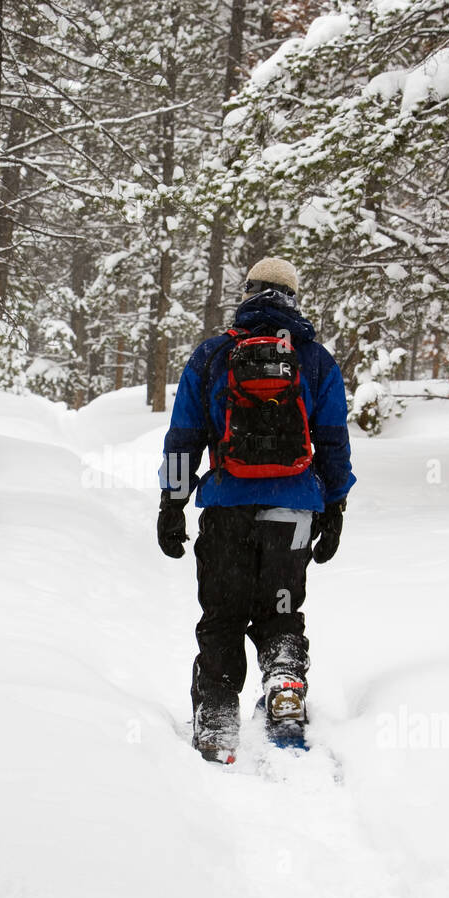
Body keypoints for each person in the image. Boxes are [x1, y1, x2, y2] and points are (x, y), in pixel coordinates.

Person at [157, 258, 355, 763]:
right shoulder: (315, 360)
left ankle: (219, 715)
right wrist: (334, 508)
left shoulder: (213, 354)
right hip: (294, 511)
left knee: (222, 614)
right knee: (280, 612)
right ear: (293, 298)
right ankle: (286, 684)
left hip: (227, 507)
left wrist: (172, 503)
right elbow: (333, 441)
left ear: (247, 294)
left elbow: (184, 438)